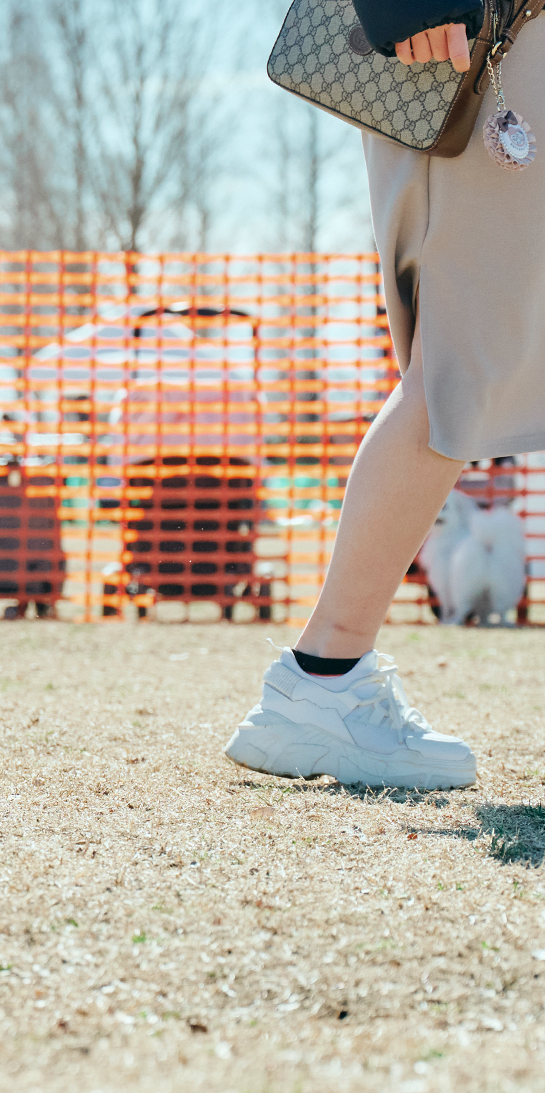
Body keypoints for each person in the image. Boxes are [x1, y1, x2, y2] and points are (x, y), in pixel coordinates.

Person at [225, 6, 521, 791]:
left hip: (502, 46)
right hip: (478, 43)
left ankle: (326, 676)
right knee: (459, 368)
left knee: (470, 364)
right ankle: (324, 676)